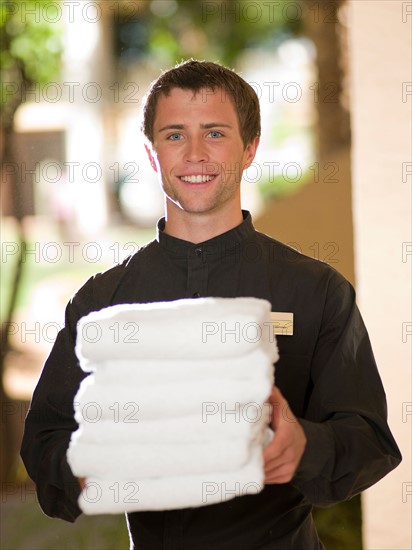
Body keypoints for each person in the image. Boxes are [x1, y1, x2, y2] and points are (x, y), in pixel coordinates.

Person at [21, 59, 401, 549]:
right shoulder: (102, 303)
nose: (195, 154)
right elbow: (45, 440)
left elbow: (369, 438)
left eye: (215, 133)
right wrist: (92, 467)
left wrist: (304, 448)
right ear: (152, 153)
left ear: (250, 149)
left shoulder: (316, 291)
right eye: (175, 135)